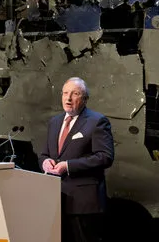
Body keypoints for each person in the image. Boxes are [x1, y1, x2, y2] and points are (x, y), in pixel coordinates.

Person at [39, 77, 114, 242]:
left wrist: (68, 166)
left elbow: (105, 157)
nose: (68, 98)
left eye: (75, 94)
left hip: (83, 203)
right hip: (55, 201)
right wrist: (45, 162)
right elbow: (45, 154)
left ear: (85, 99)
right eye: (65, 93)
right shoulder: (54, 122)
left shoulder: (97, 122)